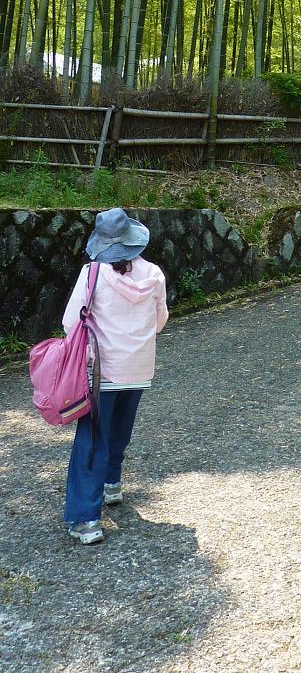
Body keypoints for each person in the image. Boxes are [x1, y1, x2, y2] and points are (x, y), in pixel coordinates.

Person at [61, 207, 168, 545]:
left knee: (92, 438)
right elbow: (160, 320)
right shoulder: (153, 273)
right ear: (133, 241)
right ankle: (112, 485)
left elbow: (70, 322)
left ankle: (87, 519)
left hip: (102, 370)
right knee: (121, 428)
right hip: (139, 367)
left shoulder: (92, 273)